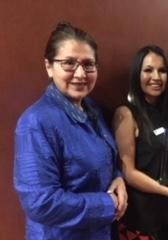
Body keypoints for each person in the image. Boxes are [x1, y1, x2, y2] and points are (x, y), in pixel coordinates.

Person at [14, 22, 127, 240]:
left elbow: (105, 160)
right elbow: (41, 203)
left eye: (88, 64)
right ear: (48, 66)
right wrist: (108, 204)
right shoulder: (35, 122)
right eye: (68, 63)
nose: (80, 73)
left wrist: (118, 177)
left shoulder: (92, 108)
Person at [113, 45, 168, 240]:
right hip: (141, 217)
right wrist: (166, 191)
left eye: (162, 70)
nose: (156, 77)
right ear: (137, 74)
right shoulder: (126, 114)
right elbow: (128, 172)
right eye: (148, 70)